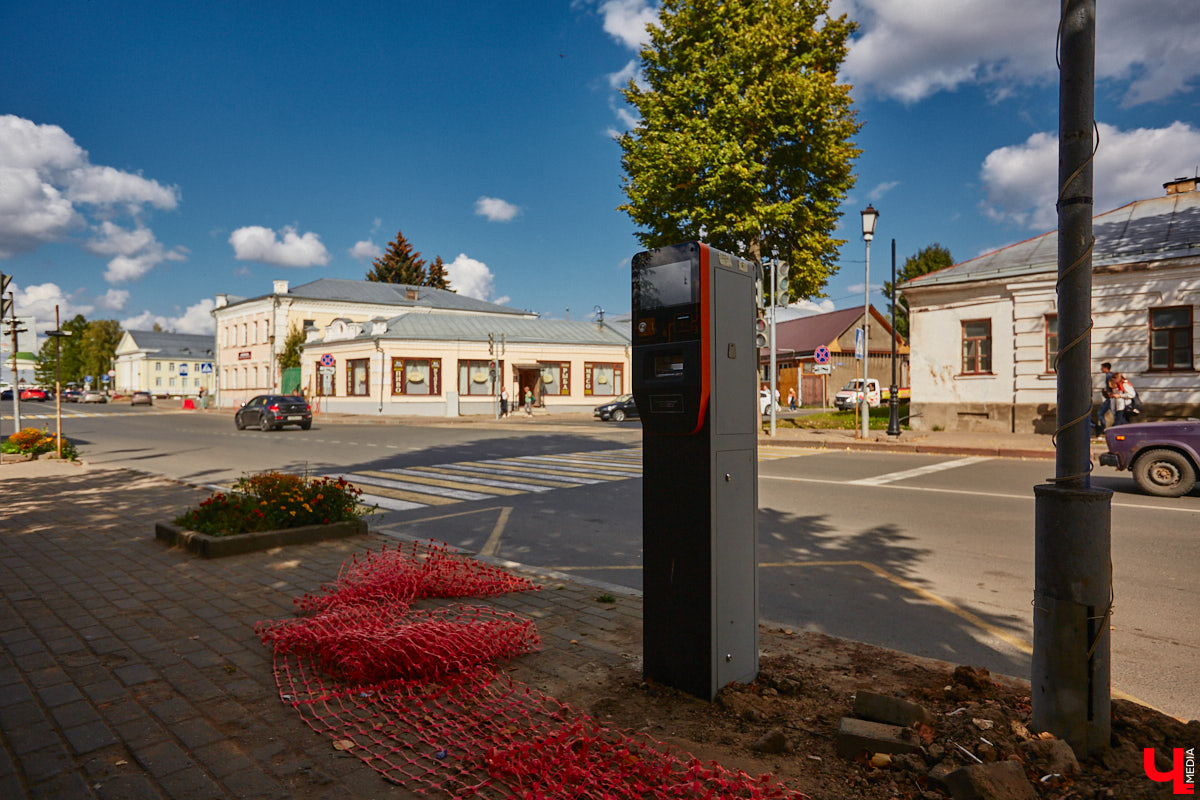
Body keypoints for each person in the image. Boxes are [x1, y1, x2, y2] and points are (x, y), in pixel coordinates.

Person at [1094, 362, 1114, 433]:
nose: (1101, 369)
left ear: (1106, 368)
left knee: (1100, 412)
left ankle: (1103, 428)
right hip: (1110, 397)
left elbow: (1111, 387)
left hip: (1110, 398)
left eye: (1102, 368)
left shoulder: (1109, 375)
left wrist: (1108, 392)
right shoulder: (1109, 375)